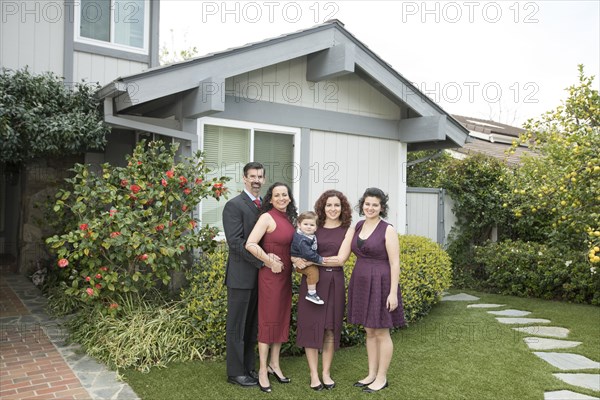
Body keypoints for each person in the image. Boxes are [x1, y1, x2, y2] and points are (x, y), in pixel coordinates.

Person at [293, 190, 354, 391]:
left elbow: (340, 259)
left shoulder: (347, 229)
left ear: (342, 207)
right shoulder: (313, 227)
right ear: (322, 207)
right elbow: (296, 247)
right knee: (311, 326)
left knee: (330, 328)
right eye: (329, 205)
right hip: (313, 282)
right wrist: (295, 260)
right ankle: (314, 375)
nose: (333, 209)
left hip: (335, 281)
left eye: (337, 205)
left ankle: (326, 373)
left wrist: (311, 259)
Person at [347, 187, 406, 393]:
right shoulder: (359, 225)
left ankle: (382, 377)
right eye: (367, 203)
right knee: (369, 330)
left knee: (381, 331)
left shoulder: (387, 229)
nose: (370, 207)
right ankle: (371, 374)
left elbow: (395, 263)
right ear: (362, 204)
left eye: (375, 205)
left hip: (381, 282)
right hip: (361, 281)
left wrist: (392, 292)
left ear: (382, 208)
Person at [245, 182, 298, 393]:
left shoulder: (290, 219)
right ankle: (262, 370)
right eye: (277, 195)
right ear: (271, 198)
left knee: (281, 319)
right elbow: (250, 244)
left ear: (289, 198)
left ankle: (274, 365)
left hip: (286, 275)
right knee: (268, 321)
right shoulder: (267, 217)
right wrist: (269, 261)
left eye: (285, 194)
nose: (281, 198)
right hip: (270, 276)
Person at [222, 162, 265, 387]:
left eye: (260, 176)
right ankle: (235, 372)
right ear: (244, 178)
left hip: (260, 278)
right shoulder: (234, 205)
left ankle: (249, 368)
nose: (256, 180)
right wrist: (262, 261)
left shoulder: (264, 206)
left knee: (251, 326)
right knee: (237, 326)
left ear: (264, 180)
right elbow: (236, 243)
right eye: (252, 176)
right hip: (241, 276)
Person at [290, 211, 325, 305]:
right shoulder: (302, 239)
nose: (309, 227)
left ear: (316, 227)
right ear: (299, 224)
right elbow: (308, 254)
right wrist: (319, 259)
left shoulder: (308, 236)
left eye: (312, 225)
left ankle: (312, 292)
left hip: (303, 258)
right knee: (313, 272)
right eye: (305, 224)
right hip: (300, 262)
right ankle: (311, 293)